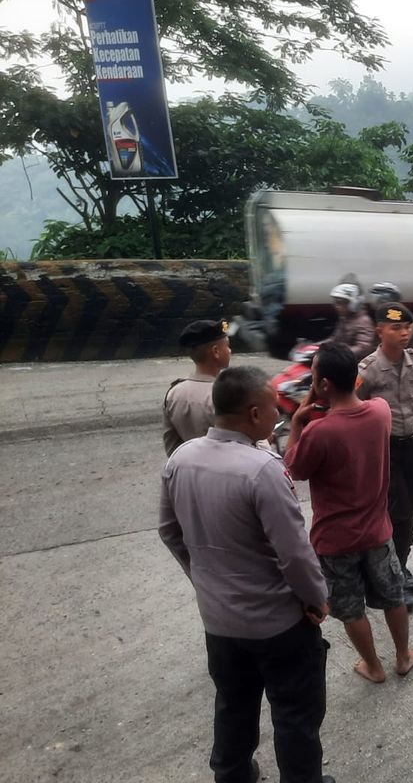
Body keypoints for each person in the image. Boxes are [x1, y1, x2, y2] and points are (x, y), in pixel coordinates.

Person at [159, 366, 335, 783]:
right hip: (277, 624)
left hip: (219, 623)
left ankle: (232, 776)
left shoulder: (180, 459)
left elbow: (169, 531)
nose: (277, 414)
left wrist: (204, 577)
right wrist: (316, 599)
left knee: (233, 705)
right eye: (273, 407)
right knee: (294, 714)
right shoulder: (262, 470)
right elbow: (294, 554)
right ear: (254, 413)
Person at [286, 341, 413, 682]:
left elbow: (294, 468)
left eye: (314, 375)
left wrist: (297, 424)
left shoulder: (318, 431)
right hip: (378, 531)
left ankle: (374, 667)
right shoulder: (380, 412)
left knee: (351, 609)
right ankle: (403, 657)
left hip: (336, 540)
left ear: (323, 384)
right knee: (393, 597)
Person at [356, 302, 413, 602]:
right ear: (379, 331)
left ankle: (401, 567)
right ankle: (388, 579)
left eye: (406, 326)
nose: (403, 332)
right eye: (396, 327)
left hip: (411, 445)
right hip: (385, 451)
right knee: (396, 513)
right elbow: (354, 408)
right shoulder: (367, 369)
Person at [162, 319, 232, 456]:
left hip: (189, 472)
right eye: (228, 346)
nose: (230, 351)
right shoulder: (226, 394)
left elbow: (172, 446)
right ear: (216, 351)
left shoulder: (173, 394)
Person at [329, 282, 377, 361]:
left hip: (357, 366)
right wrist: (316, 347)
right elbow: (334, 339)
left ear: (353, 304)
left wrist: (338, 355)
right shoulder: (345, 319)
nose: (337, 306)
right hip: (344, 362)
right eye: (336, 303)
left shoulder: (363, 321)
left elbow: (363, 347)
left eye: (340, 303)